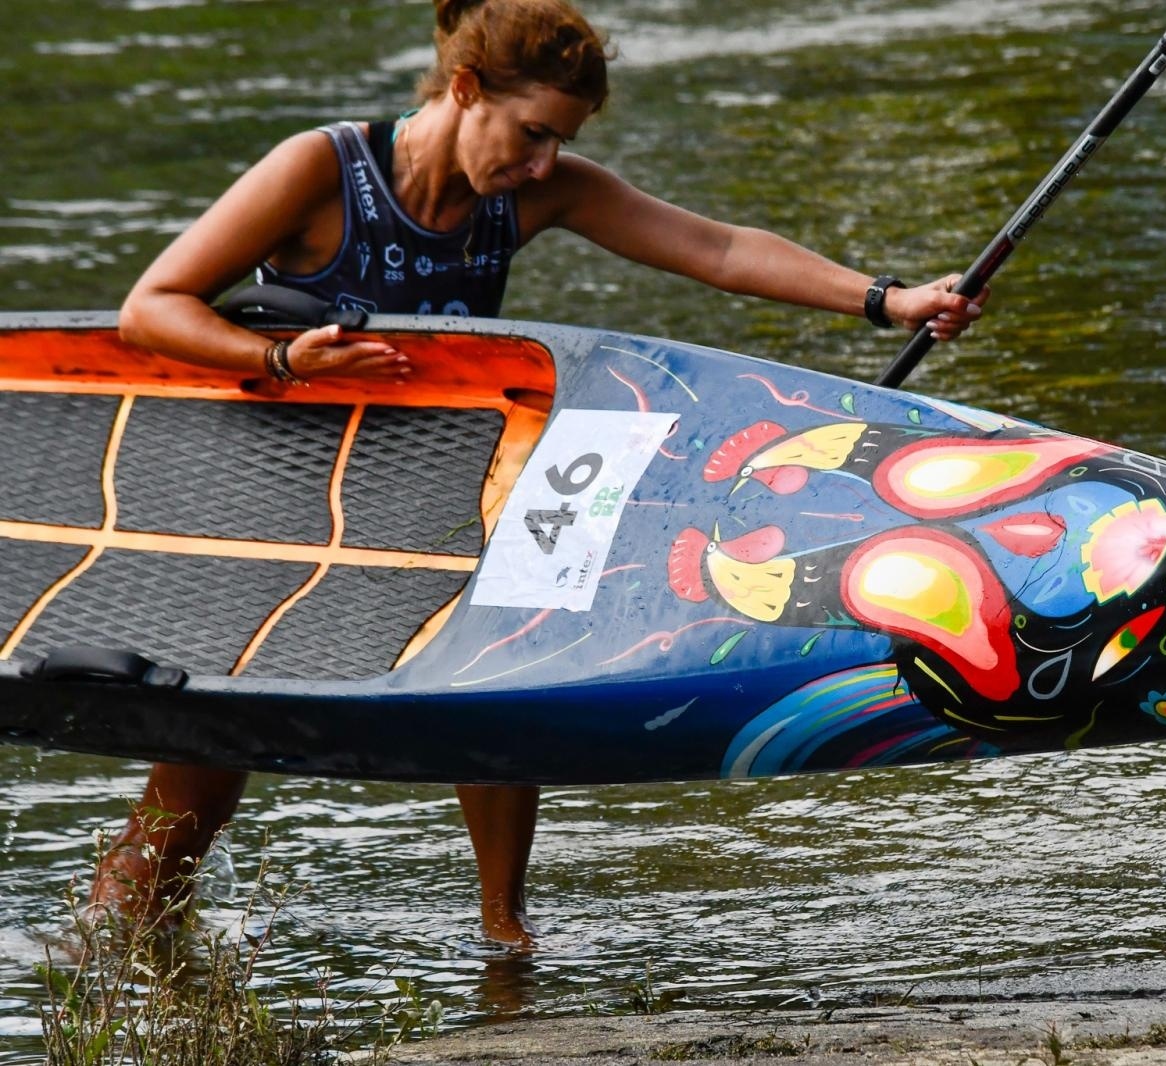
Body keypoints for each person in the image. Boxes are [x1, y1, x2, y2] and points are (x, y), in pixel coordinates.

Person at [97, 0, 987, 948]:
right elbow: (151, 307)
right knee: (205, 769)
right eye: (531, 135)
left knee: (494, 680)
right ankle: (117, 939)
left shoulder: (530, 193)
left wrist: (888, 300)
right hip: (285, 496)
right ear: (467, 90)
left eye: (559, 144)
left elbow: (716, 249)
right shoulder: (322, 168)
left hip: (440, 481)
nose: (541, 166)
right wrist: (281, 361)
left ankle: (503, 931)